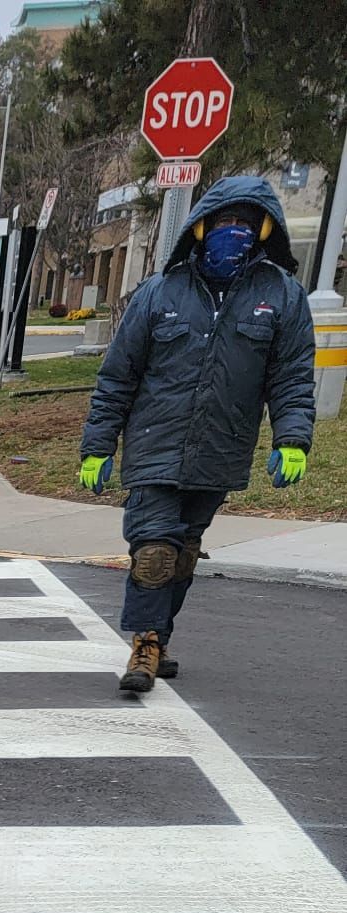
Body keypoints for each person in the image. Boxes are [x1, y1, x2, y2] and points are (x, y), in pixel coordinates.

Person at [78, 175, 316, 697]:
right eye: (226, 222)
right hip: (154, 444)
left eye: (246, 224)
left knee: (183, 553)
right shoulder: (160, 293)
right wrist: (97, 447)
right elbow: (118, 375)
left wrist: (292, 438)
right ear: (202, 227)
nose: (235, 232)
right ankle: (143, 644)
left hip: (220, 448)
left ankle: (157, 638)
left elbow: (292, 377)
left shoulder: (282, 297)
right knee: (154, 551)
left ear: (265, 230)